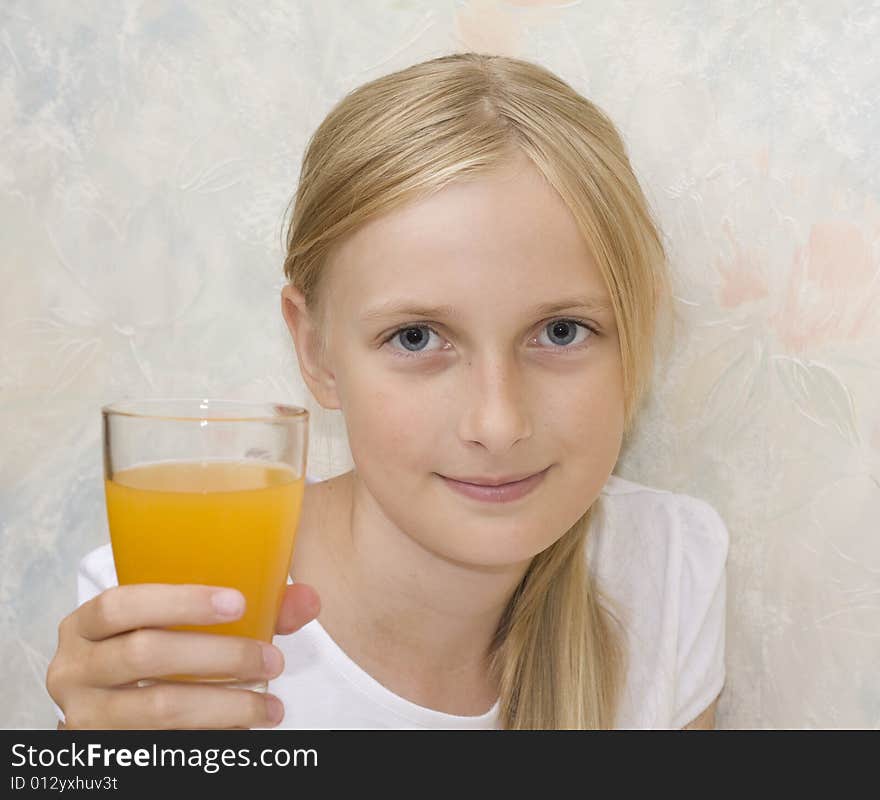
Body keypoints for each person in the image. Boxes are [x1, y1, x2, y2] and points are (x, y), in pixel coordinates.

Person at [46, 52, 729, 730]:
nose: (497, 423)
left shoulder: (664, 566)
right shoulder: (177, 612)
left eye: (560, 332)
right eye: (416, 338)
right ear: (316, 352)